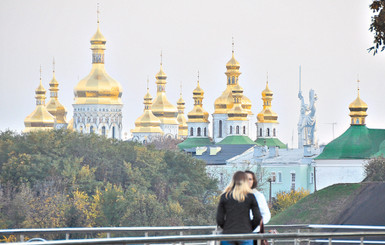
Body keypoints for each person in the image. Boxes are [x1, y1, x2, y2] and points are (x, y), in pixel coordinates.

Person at [216, 171, 262, 245]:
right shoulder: (250, 197)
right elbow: (258, 217)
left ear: (233, 181)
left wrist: (227, 227)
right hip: (246, 234)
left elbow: (219, 219)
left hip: (228, 234)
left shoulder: (225, 196)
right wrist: (249, 227)